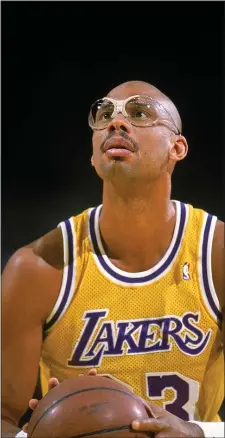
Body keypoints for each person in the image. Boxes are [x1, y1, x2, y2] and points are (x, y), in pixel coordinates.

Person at [2, 80, 224, 438]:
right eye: (104, 115)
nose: (115, 123)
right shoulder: (37, 268)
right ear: (93, 155)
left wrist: (199, 433)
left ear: (177, 147)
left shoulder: (216, 255)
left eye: (139, 113)